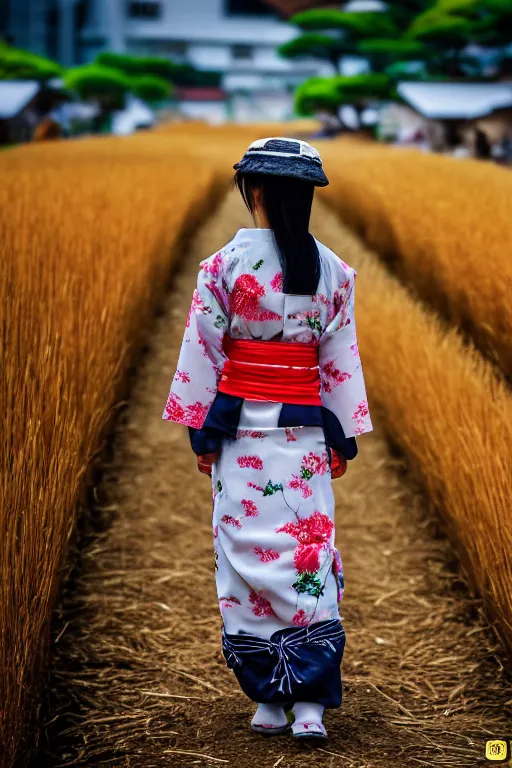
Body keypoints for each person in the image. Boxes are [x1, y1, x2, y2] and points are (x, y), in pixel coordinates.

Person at [162, 137, 373, 743]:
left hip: (238, 438)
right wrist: (343, 438)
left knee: (243, 552)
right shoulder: (333, 270)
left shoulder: (220, 269)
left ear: (251, 191)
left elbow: (201, 353)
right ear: (305, 196)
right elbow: (340, 362)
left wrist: (200, 433)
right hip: (305, 434)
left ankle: (270, 700)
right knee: (304, 552)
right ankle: (308, 703)